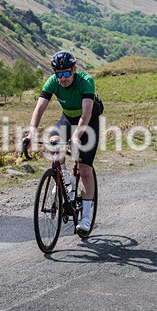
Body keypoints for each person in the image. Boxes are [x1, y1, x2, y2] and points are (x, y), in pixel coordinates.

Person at [25, 51, 99, 237]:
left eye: (67, 73)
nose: (63, 78)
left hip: (88, 122)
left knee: (84, 169)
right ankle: (65, 177)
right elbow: (39, 109)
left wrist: (76, 137)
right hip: (67, 119)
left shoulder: (86, 81)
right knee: (53, 141)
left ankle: (86, 218)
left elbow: (87, 113)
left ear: (74, 70)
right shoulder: (52, 82)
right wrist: (32, 132)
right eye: (59, 74)